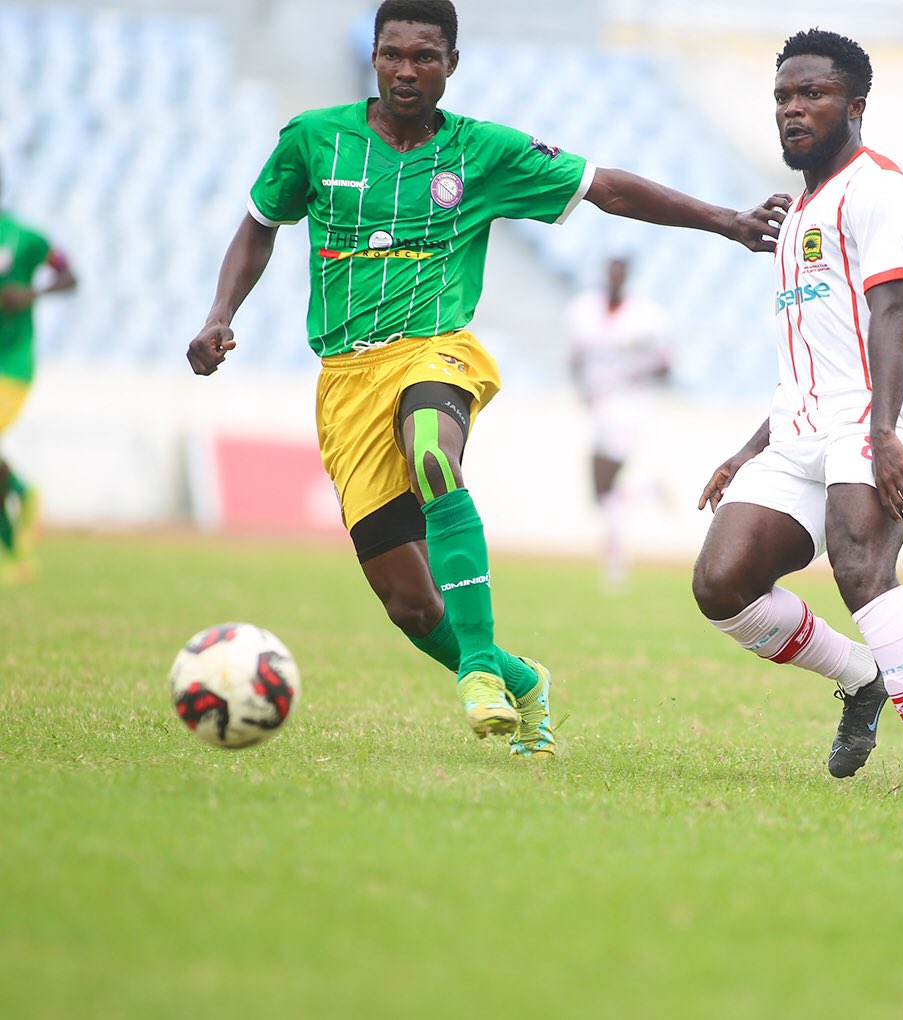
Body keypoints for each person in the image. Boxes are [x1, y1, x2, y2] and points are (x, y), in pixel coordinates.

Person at [185, 0, 787, 757]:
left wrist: (727, 221)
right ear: (373, 57)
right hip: (345, 378)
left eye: (425, 56)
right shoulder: (312, 140)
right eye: (394, 54)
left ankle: (475, 672)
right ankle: (518, 676)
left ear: (452, 65)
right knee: (409, 603)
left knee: (435, 454)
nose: (408, 70)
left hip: (436, 351)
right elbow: (258, 223)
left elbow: (606, 186)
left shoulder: (483, 153)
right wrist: (219, 311)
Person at [691, 29, 903, 803]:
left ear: (854, 105)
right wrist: (746, 450)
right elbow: (812, 352)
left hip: (875, 420)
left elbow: (894, 313)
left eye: (813, 94)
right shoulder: (797, 216)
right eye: (785, 97)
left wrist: (884, 433)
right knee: (723, 584)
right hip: (797, 432)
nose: (794, 109)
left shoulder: (879, 187)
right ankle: (862, 677)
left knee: (860, 566)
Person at [566, 255, 671, 590]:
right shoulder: (583, 310)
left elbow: (666, 365)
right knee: (602, 493)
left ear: (627, 275)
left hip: (629, 407)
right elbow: (576, 358)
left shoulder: (647, 316)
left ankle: (615, 566)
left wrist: (632, 371)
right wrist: (584, 389)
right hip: (600, 406)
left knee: (604, 484)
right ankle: (648, 490)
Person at [0, 161, 78, 584]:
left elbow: (69, 274)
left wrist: (31, 292)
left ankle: (14, 553)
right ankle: (22, 494)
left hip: (11, 364)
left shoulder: (25, 238)